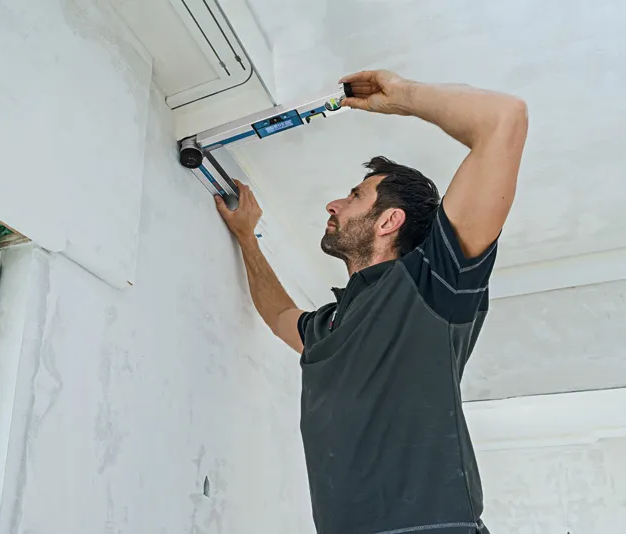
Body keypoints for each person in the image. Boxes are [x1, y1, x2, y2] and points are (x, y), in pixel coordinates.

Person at [214, 70, 528, 534]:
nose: (333, 205)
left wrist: (402, 97)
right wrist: (246, 239)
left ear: (389, 221)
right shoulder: (333, 326)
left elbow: (506, 117)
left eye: (356, 196)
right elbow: (280, 314)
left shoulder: (434, 281)